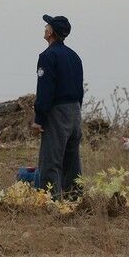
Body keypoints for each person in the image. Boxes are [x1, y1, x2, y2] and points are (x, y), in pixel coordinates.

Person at [31, 14, 84, 200]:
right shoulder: (74, 56)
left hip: (58, 112)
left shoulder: (47, 56)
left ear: (51, 32)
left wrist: (39, 119)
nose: (44, 27)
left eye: (47, 25)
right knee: (72, 162)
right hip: (75, 112)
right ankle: (75, 200)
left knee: (50, 161)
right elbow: (80, 88)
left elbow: (45, 90)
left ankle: (51, 203)